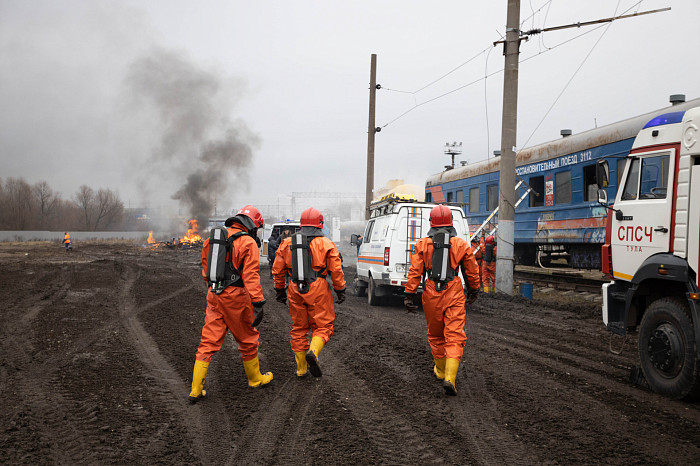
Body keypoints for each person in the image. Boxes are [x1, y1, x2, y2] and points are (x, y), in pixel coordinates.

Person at [188, 205, 272, 403]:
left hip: (214, 294)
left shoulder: (211, 240)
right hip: (236, 297)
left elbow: (205, 269)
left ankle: (195, 390)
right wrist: (258, 300)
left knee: (208, 341)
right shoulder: (248, 242)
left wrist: (213, 289)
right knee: (247, 338)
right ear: (253, 225)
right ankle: (255, 379)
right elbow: (251, 275)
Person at [403, 205, 480, 396]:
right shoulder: (461, 245)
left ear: (431, 223)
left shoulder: (422, 245)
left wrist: (409, 294)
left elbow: (415, 272)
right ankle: (450, 378)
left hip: (431, 293)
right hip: (454, 291)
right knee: (454, 335)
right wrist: (474, 290)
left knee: (436, 335)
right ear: (451, 223)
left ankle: (441, 371)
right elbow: (471, 271)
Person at [272, 207, 345, 378]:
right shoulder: (326, 243)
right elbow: (336, 270)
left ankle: (301, 369)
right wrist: (340, 289)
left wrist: (279, 290)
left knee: (299, 328)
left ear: (302, 224)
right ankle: (313, 351)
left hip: (294, 288)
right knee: (323, 326)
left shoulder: (286, 243)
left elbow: (278, 270)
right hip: (318, 287)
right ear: (320, 224)